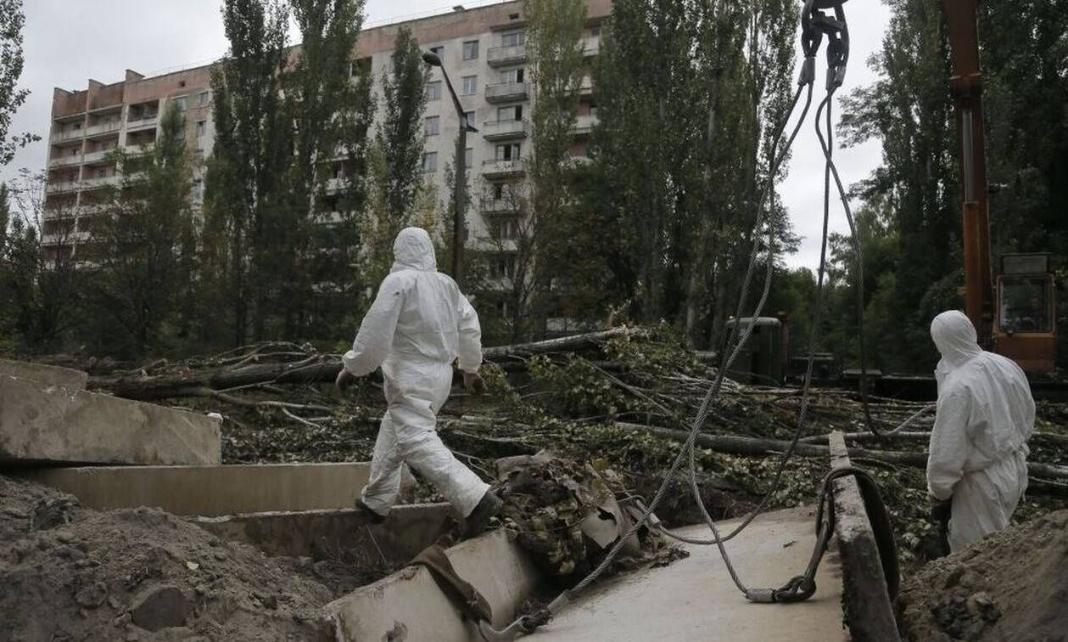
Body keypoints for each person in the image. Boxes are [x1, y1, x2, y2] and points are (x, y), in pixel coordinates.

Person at [335, 227, 501, 535]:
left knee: (416, 439)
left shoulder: (399, 282)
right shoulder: (446, 285)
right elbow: (469, 324)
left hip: (410, 374)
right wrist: (469, 369)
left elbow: (375, 335)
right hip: (441, 375)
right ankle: (376, 500)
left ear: (399, 251)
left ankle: (476, 498)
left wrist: (353, 367)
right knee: (395, 429)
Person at [926, 310, 1035, 552]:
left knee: (975, 556)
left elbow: (946, 451)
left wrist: (939, 491)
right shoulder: (1005, 365)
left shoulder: (958, 387)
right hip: (1014, 469)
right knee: (997, 546)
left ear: (940, 340)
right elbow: (1028, 413)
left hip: (982, 486)